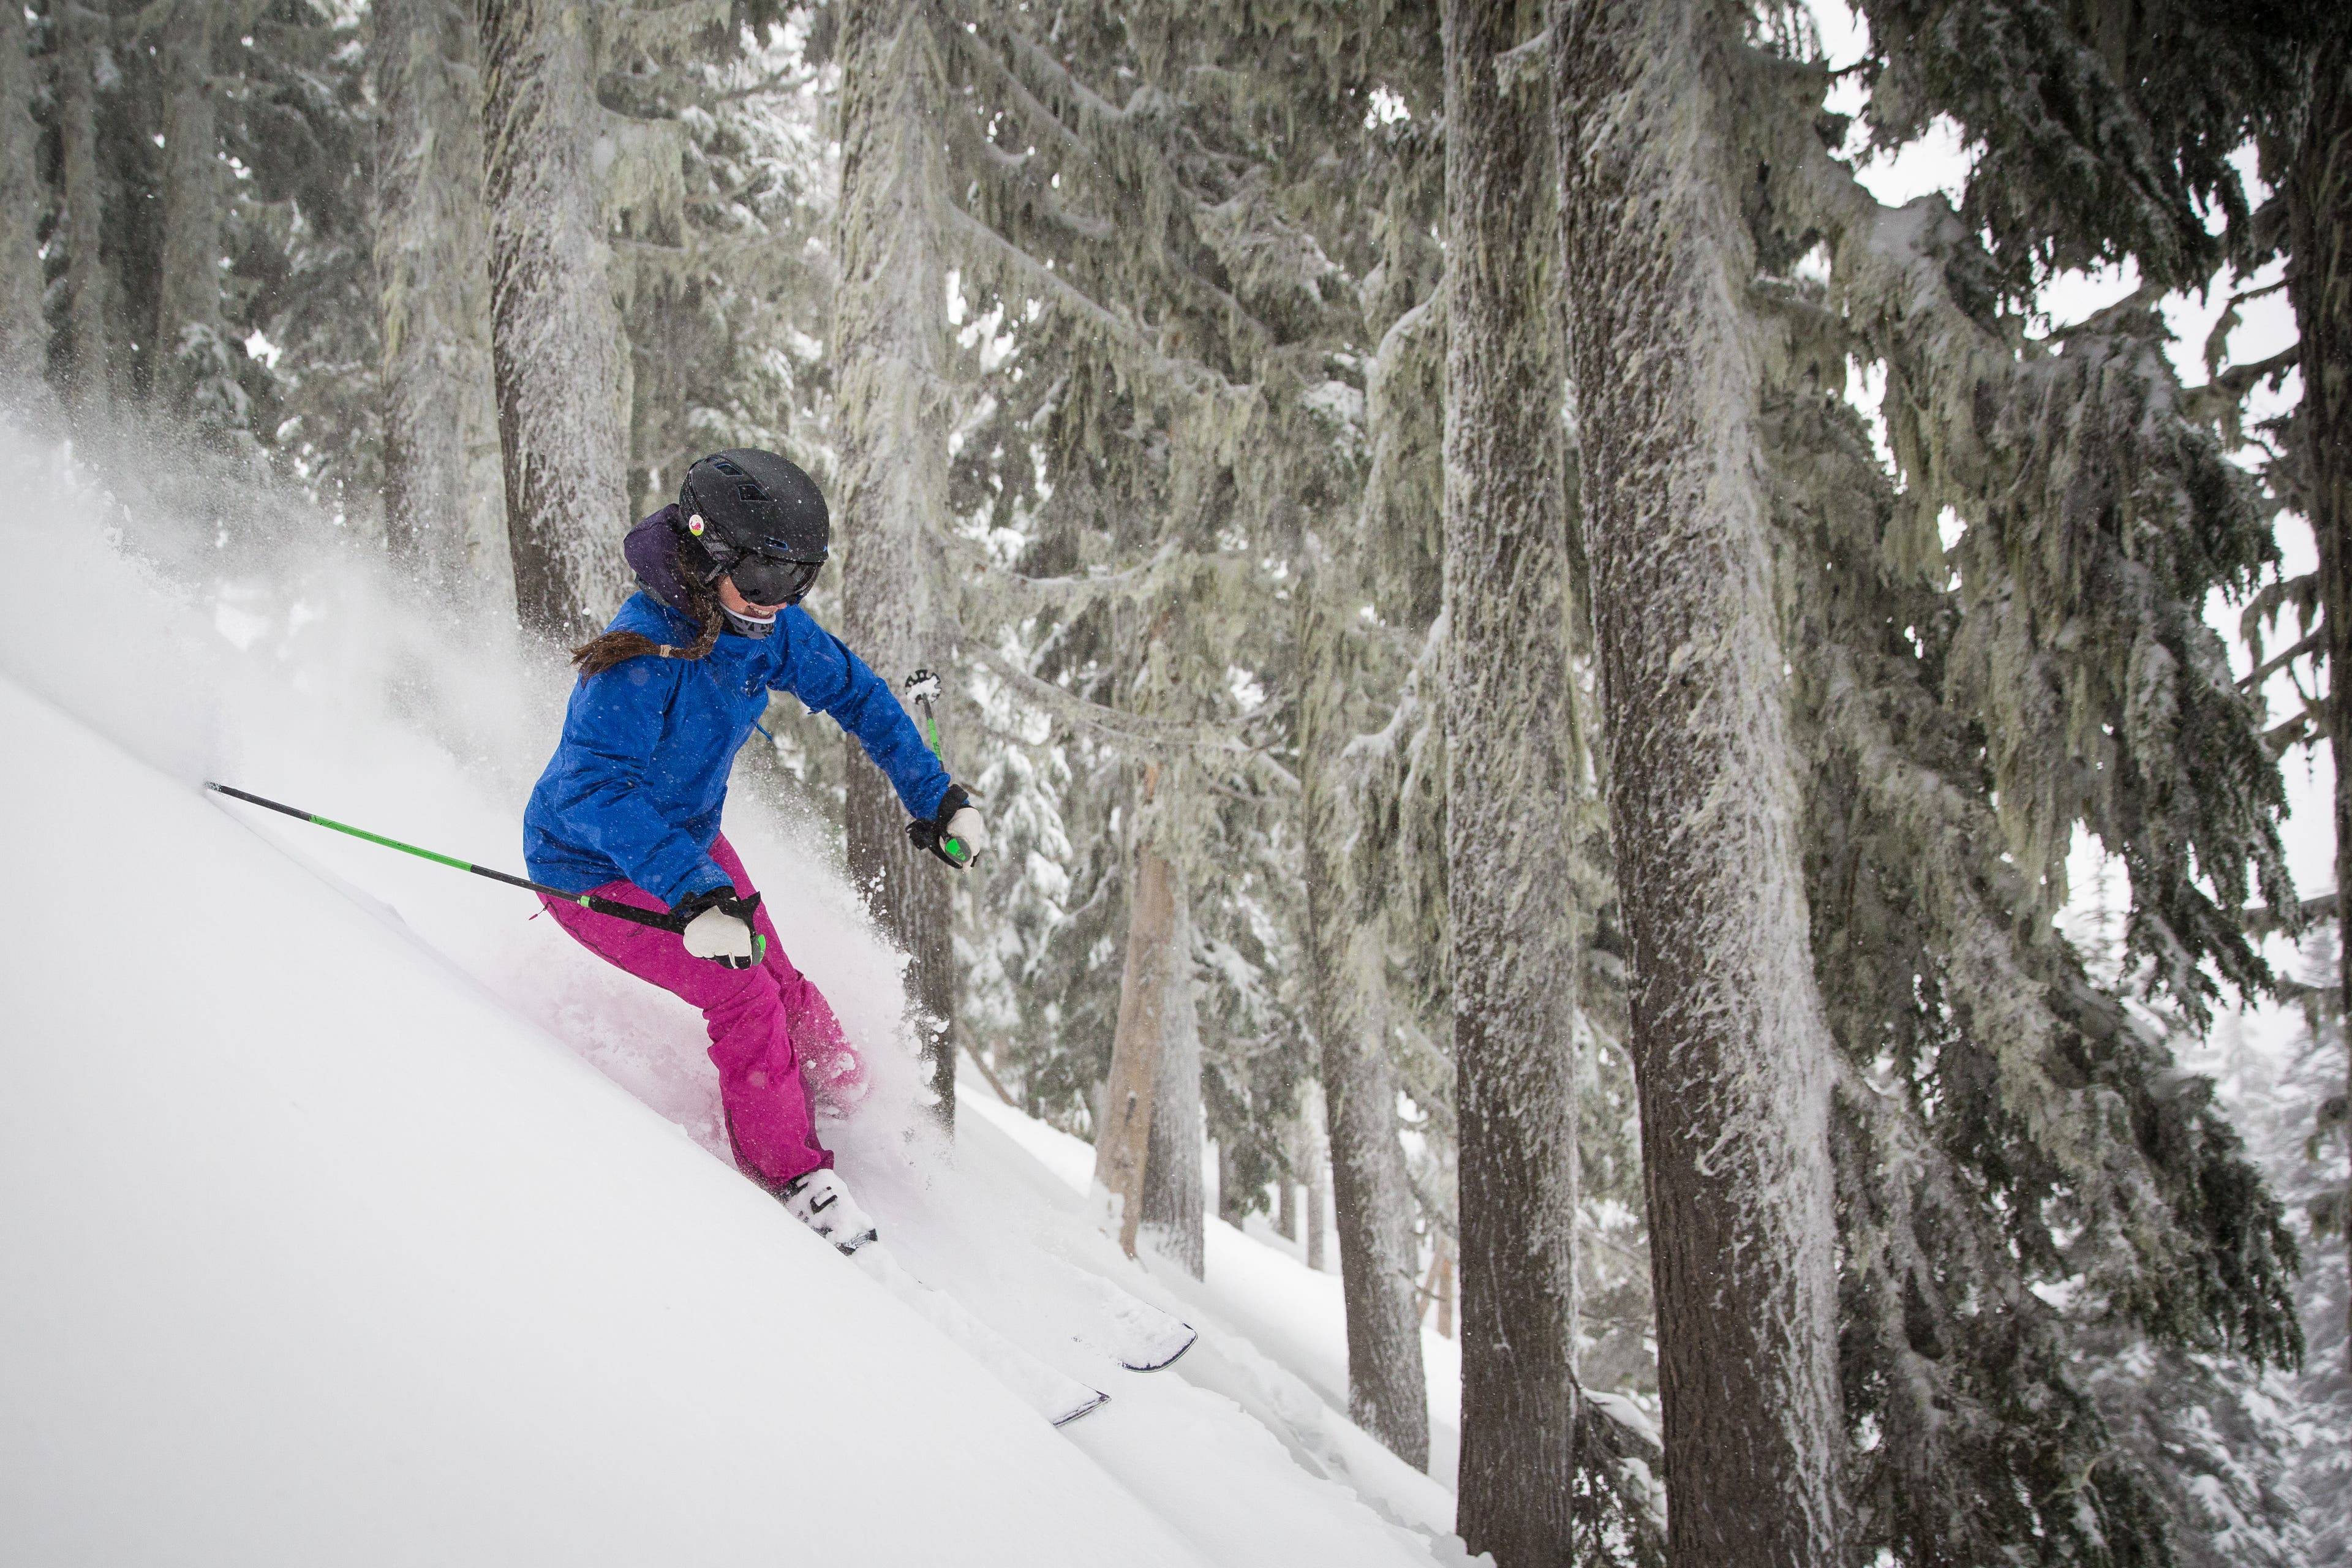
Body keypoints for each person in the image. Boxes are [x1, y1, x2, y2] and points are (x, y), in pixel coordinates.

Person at [522, 448, 983, 1256]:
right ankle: (794, 1178)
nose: (778, 604)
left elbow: (861, 698)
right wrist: (693, 892)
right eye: (764, 579)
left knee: (782, 979)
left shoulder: (760, 633)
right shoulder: (640, 656)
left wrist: (933, 794)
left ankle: (853, 1110)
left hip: (688, 848)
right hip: (590, 866)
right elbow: (589, 794)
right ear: (709, 560)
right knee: (743, 996)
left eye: (797, 582)